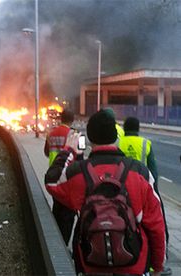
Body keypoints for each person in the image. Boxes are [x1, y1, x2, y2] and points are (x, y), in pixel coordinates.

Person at [45, 109, 165, 276]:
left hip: (91, 264)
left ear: (89, 139)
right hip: (134, 266)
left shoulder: (78, 173)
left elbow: (52, 181)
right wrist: (157, 266)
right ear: (116, 137)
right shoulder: (139, 173)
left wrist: (69, 150)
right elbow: (156, 226)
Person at [118, 116, 172, 276]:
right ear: (138, 128)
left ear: (125, 129)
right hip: (143, 188)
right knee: (155, 225)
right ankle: (153, 264)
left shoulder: (119, 142)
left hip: (122, 188)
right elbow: (153, 171)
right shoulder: (145, 144)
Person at [44, 108, 78, 246]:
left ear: (60, 119)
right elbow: (80, 157)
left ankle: (55, 239)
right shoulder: (74, 135)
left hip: (53, 176)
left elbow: (46, 152)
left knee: (57, 207)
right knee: (68, 213)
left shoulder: (51, 134)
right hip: (69, 177)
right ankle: (63, 244)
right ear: (72, 119)